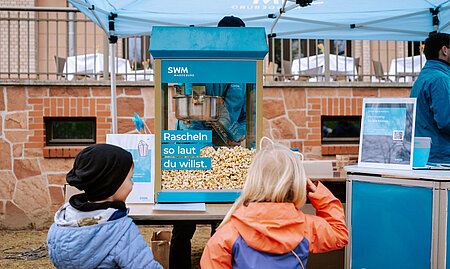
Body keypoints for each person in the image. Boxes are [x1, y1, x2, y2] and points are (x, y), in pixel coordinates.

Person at [170, 15, 247, 269]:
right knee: (184, 220)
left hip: (227, 149)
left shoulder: (245, 69)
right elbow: (194, 111)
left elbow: (247, 113)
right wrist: (202, 144)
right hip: (193, 146)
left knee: (224, 219)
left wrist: (240, 136)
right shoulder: (203, 65)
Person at [200, 139, 349, 268]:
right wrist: (317, 191)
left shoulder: (228, 233)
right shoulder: (306, 227)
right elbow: (339, 233)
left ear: (253, 180)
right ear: (297, 183)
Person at [47, 144, 162, 269]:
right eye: (130, 178)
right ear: (112, 183)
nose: (132, 183)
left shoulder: (60, 225)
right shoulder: (121, 230)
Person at [410, 33, 450, 163]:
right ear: (444, 50)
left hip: (427, 155)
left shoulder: (424, 77)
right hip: (441, 157)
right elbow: (446, 121)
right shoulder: (440, 79)